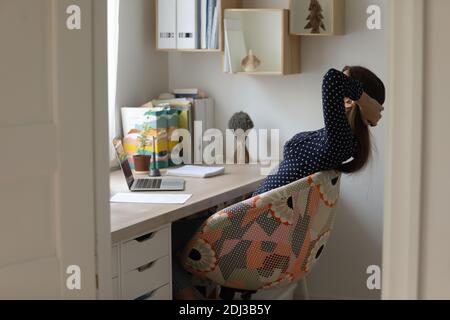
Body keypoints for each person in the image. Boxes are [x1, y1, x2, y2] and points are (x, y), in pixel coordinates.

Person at [172, 66, 385, 300]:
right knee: (187, 225)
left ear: (348, 99)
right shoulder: (338, 140)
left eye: (349, 85)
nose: (343, 85)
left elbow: (331, 78)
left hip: (247, 237)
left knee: (166, 238)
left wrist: (365, 102)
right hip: (255, 230)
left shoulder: (341, 142)